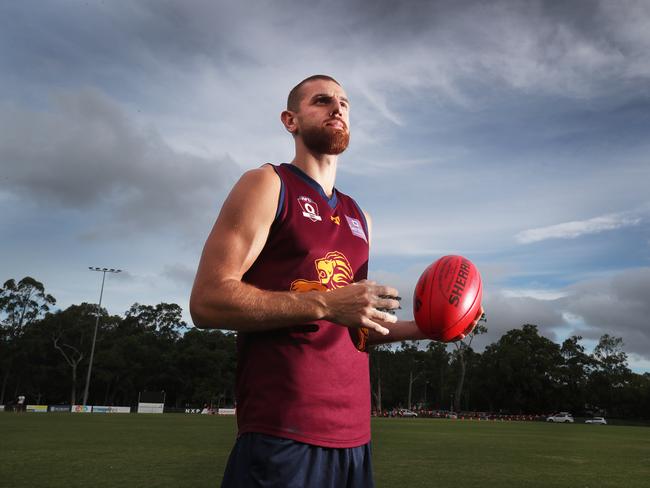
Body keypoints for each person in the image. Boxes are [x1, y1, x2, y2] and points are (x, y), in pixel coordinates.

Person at [190, 75, 482, 487]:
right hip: (284, 429)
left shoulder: (358, 215)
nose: (338, 108)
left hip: (354, 436)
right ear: (290, 121)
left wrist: (427, 329)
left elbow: (354, 325)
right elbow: (207, 300)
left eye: (344, 103)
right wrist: (325, 303)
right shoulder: (268, 185)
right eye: (322, 100)